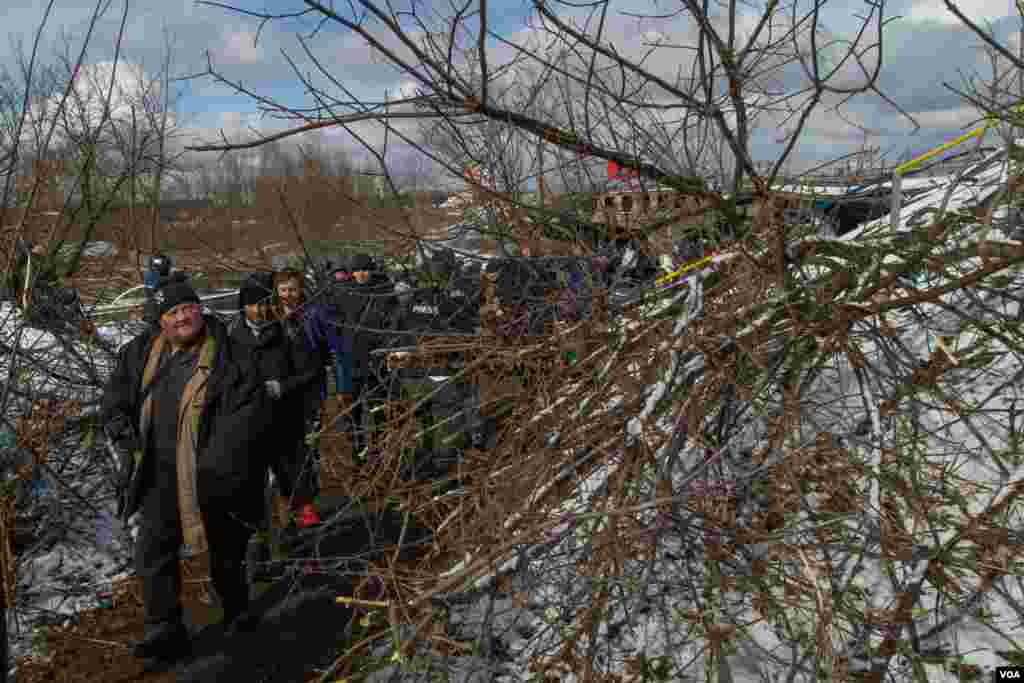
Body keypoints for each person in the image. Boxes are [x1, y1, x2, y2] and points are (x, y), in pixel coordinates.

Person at [100, 280, 273, 669]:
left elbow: (248, 414)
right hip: (157, 472)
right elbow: (116, 396)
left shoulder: (232, 355)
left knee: (225, 546)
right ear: (160, 321)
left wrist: (218, 465)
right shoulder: (142, 352)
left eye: (188, 308)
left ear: (199, 309)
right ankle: (165, 628)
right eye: (172, 312)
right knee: (152, 550)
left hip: (215, 471)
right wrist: (119, 425)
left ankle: (237, 612)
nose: (182, 317)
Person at [271, 269, 329, 523]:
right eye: (283, 290)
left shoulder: (312, 314)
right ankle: (294, 499)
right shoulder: (273, 317)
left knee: (309, 446)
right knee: (288, 448)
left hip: (310, 388)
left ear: (301, 289)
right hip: (284, 391)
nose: (287, 295)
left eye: (292, 289)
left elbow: (323, 350)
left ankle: (308, 499)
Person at [335, 254, 395, 457]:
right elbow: (335, 322)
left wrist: (387, 348)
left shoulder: (384, 291)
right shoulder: (342, 292)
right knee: (353, 407)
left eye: (365, 269)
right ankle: (358, 446)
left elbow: (393, 323)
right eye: (357, 270)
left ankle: (378, 446)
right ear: (351, 272)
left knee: (377, 405)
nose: (361, 274)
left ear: (372, 270)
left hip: (376, 357)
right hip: (351, 356)